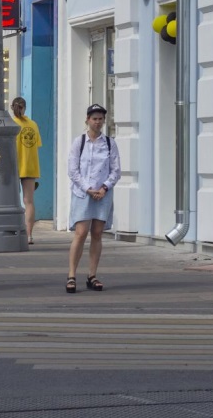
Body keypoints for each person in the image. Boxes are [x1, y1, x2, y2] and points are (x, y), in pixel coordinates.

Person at [66, 103, 121, 293]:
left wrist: (105, 187)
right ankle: (71, 275)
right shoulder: (79, 142)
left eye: (100, 119)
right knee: (81, 233)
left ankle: (92, 275)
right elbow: (72, 171)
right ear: (87, 120)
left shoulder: (109, 143)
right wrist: (88, 188)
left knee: (97, 233)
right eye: (94, 119)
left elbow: (116, 170)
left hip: (102, 194)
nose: (97, 122)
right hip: (83, 193)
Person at [11, 97, 42, 245]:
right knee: (29, 201)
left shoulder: (10, 124)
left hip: (13, 167)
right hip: (30, 165)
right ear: (25, 107)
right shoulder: (33, 125)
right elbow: (37, 145)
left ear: (12, 108)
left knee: (11, 201)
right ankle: (29, 235)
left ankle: (13, 231)